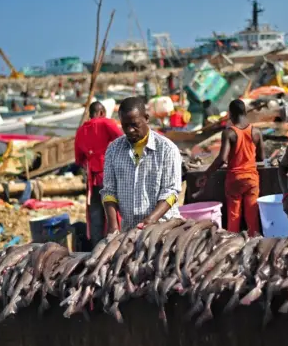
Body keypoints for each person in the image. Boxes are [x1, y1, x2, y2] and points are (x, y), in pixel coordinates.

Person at [101, 96, 182, 232]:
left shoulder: (167, 149)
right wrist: (113, 226)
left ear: (146, 118)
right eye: (125, 126)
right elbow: (109, 191)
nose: (130, 130)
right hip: (129, 228)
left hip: (163, 227)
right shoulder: (113, 149)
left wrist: (151, 220)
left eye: (135, 125)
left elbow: (171, 191)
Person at [197, 99, 264, 235]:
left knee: (234, 217)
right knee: (252, 217)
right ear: (245, 113)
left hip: (234, 179)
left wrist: (206, 174)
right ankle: (255, 243)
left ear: (231, 115)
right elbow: (261, 158)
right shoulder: (256, 132)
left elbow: (222, 158)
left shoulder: (229, 133)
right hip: (251, 179)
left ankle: (231, 244)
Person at [75, 101, 123, 247]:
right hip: (109, 174)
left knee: (95, 213)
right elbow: (124, 140)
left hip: (92, 178)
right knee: (114, 212)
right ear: (102, 112)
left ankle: (97, 246)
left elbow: (79, 159)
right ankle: (116, 243)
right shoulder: (107, 123)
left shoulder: (81, 130)